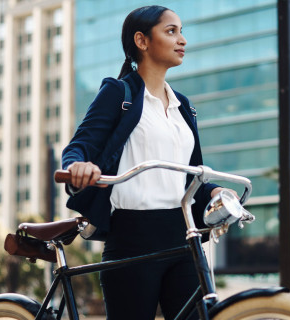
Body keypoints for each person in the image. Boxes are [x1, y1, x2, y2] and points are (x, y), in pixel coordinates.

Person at [61, 5, 233, 320]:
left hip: (183, 234)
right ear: (142, 41)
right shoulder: (119, 92)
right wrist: (78, 166)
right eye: (171, 31)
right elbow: (79, 146)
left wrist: (217, 191)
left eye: (182, 31)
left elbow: (190, 176)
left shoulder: (184, 107)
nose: (182, 39)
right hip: (133, 236)